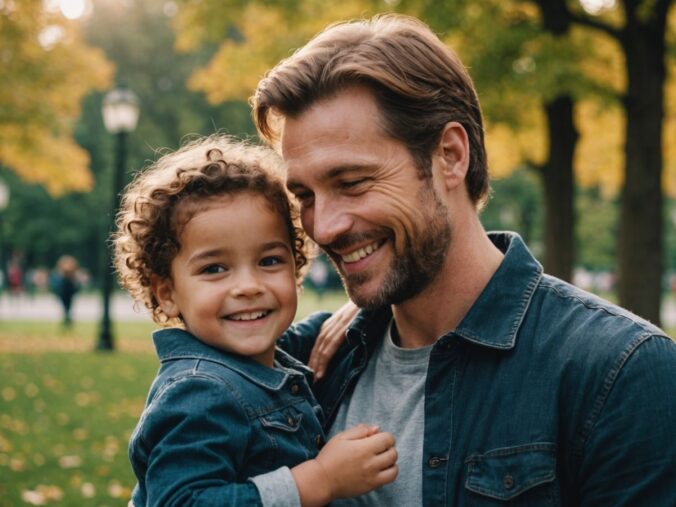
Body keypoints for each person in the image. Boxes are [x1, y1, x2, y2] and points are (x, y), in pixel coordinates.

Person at [252, 14, 676, 506]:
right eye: (304, 194)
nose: (323, 226)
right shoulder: (309, 364)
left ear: (452, 155)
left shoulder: (619, 373)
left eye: (352, 183)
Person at [112, 135, 397, 507]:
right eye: (214, 268)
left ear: (295, 264)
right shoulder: (200, 392)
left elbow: (312, 335)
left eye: (269, 261)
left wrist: (365, 303)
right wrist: (319, 480)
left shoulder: (263, 356)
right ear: (167, 292)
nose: (248, 286)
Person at [53, 255, 80, 328]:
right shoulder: (67, 270)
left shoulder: (67, 270)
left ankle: (67, 318)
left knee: (67, 306)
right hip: (65, 289)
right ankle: (67, 318)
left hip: (67, 289)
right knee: (67, 306)